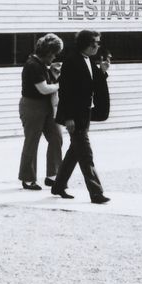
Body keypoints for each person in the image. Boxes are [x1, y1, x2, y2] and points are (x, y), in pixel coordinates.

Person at [51, 29, 111, 203]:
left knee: (75, 152)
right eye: (95, 43)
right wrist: (68, 117)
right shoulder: (72, 61)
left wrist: (103, 71)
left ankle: (58, 185)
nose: (98, 46)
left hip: (85, 114)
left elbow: (93, 84)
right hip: (75, 116)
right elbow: (66, 92)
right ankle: (96, 192)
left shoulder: (88, 61)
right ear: (86, 43)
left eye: (98, 43)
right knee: (86, 154)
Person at [17, 33, 65, 191]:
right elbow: (43, 89)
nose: (54, 57)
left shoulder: (43, 64)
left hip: (46, 106)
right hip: (32, 105)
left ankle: (52, 175)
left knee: (56, 137)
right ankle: (28, 178)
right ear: (47, 52)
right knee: (32, 141)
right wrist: (61, 85)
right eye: (54, 54)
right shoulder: (33, 65)